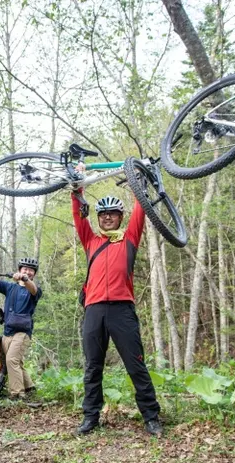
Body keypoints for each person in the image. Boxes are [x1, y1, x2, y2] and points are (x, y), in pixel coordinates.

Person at [71, 183, 163, 436]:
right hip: (94, 310)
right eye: (102, 214)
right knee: (93, 366)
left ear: (120, 217)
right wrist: (75, 191)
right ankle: (91, 417)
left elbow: (140, 210)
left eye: (112, 213)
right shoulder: (91, 240)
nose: (107, 217)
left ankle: (151, 417)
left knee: (136, 365)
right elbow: (78, 217)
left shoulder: (130, 238)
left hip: (122, 310)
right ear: (98, 218)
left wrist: (137, 186)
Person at [0, 258, 42, 400]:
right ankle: (29, 386)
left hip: (22, 333)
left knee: (11, 360)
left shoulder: (34, 290)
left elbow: (33, 288)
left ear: (34, 274)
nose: (28, 271)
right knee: (16, 361)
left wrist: (24, 279)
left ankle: (18, 394)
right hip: (8, 331)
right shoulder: (10, 287)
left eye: (31, 270)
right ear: (19, 269)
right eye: (25, 269)